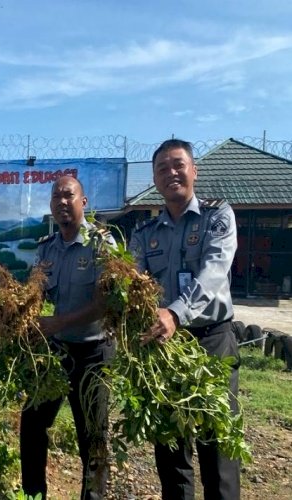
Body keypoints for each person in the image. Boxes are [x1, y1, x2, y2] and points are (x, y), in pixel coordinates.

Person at [129, 138, 240, 499]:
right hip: (165, 347)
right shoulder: (144, 234)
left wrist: (175, 313)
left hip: (211, 342)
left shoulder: (217, 215)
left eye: (178, 165)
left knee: (217, 447)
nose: (171, 173)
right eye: (162, 168)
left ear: (194, 170)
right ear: (155, 179)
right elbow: (135, 281)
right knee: (171, 449)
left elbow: (214, 272)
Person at [21, 175, 114, 500]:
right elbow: (37, 290)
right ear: (50, 205)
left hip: (94, 354)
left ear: (83, 202)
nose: (62, 202)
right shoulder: (48, 248)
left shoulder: (102, 244)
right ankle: (33, 494)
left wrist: (58, 322)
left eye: (69, 195)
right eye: (56, 196)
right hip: (57, 352)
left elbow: (105, 303)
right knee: (32, 423)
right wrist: (20, 312)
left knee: (93, 438)